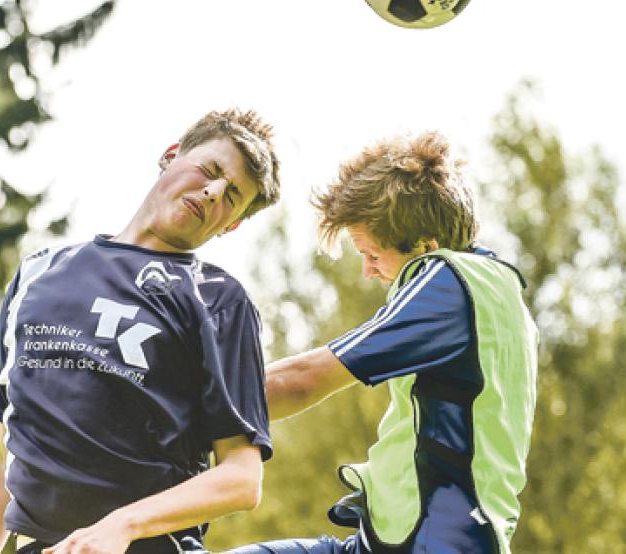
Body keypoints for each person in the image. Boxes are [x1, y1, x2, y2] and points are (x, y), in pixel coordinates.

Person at [0, 108, 281, 554]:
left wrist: (122, 526)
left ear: (232, 224)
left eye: (232, 196)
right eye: (210, 170)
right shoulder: (38, 273)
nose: (212, 192)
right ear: (170, 156)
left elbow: (242, 478)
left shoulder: (219, 300)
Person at [230, 132, 538, 554]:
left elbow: (306, 379)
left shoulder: (447, 281)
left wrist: (186, 405)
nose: (368, 272)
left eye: (371, 254)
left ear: (426, 247)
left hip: (438, 541)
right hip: (397, 540)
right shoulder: (496, 292)